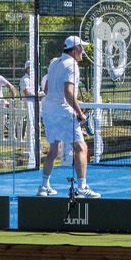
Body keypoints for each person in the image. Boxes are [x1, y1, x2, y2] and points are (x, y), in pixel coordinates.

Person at [37, 34, 97, 199]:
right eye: (81, 48)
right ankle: (82, 187)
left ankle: (43, 186)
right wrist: (80, 113)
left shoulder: (54, 63)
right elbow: (68, 92)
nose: (83, 52)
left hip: (48, 111)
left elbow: (47, 90)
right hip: (63, 112)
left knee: (54, 149)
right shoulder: (72, 65)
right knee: (81, 148)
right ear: (75, 49)